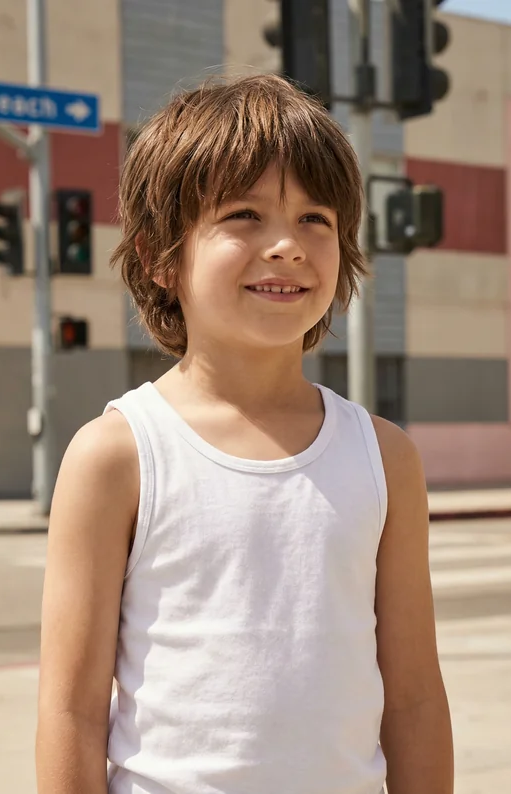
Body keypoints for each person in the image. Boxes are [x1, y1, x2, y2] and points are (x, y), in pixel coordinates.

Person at [35, 74, 453, 794]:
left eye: (315, 218)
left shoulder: (385, 457)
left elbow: (413, 698)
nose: (287, 245)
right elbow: (71, 713)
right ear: (159, 258)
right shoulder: (118, 455)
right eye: (244, 215)